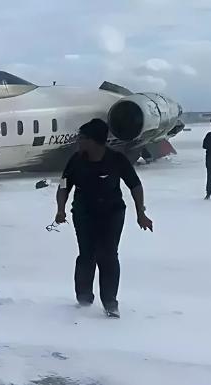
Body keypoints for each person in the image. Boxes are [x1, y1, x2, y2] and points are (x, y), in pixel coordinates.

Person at [54, 119, 154, 319]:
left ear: (94, 141)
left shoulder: (116, 159)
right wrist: (61, 209)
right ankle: (83, 298)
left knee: (108, 256)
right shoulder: (76, 160)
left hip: (112, 214)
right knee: (86, 255)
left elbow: (135, 185)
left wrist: (140, 213)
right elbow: (64, 185)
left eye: (82, 138)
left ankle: (110, 303)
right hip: (83, 214)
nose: (79, 142)